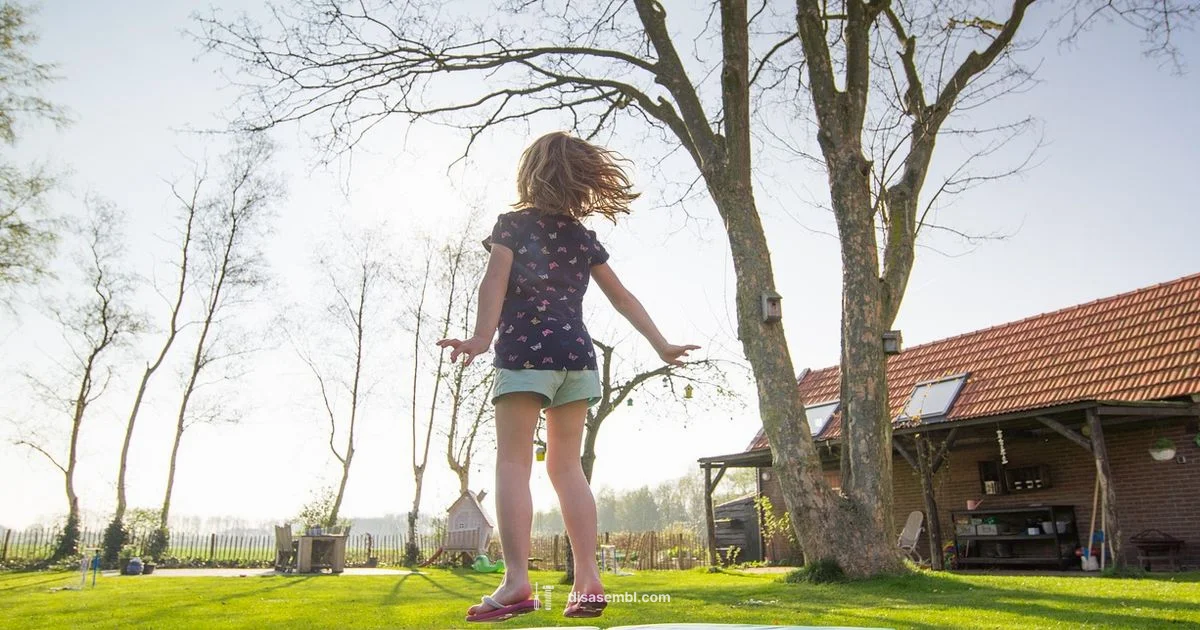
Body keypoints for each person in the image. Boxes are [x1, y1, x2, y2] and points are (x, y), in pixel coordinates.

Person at [437, 131, 698, 622]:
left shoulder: (512, 226)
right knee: (566, 468)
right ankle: (588, 579)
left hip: (525, 356)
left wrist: (479, 338)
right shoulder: (582, 237)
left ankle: (516, 582)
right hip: (577, 358)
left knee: (513, 463)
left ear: (531, 173)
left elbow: (493, 279)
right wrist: (660, 343)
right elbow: (622, 297)